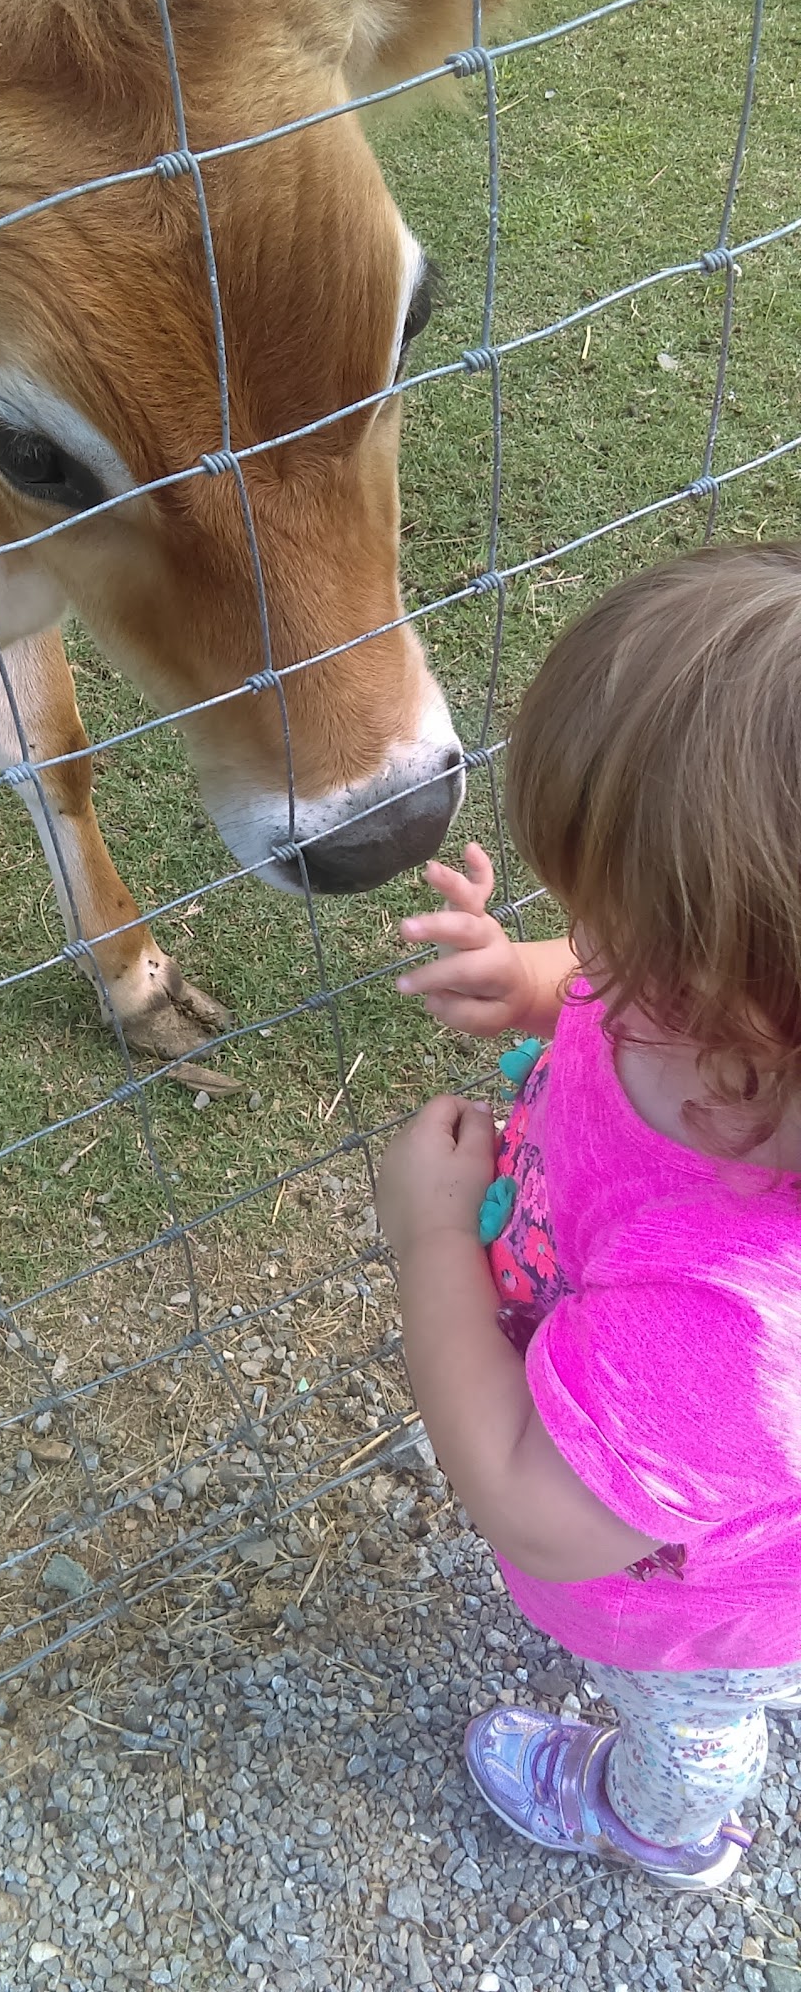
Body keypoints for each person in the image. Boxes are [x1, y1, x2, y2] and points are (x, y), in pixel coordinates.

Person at [375, 542, 801, 1890]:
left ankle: (664, 1826)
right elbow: (642, 990)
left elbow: (530, 1501)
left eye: (618, 932)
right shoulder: (739, 1027)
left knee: (700, 1723)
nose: (585, 946)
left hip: (702, 1599)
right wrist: (544, 983)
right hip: (671, 1471)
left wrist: (433, 1239)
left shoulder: (728, 1319)